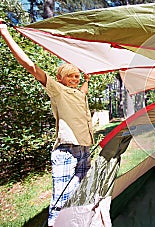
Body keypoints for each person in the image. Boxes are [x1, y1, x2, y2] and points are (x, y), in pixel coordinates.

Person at [0, 23, 93, 227]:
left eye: (77, 76)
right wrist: (5, 34)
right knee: (61, 199)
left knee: (82, 191)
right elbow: (31, 67)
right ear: (60, 78)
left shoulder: (78, 93)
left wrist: (88, 75)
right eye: (71, 75)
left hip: (85, 147)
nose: (75, 79)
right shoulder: (57, 90)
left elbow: (85, 86)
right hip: (67, 150)